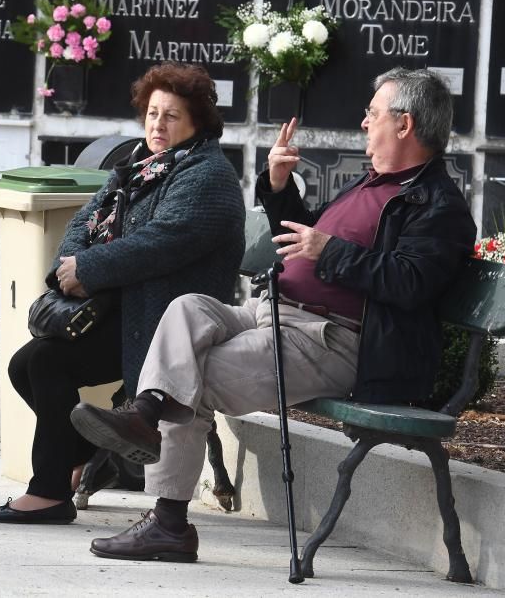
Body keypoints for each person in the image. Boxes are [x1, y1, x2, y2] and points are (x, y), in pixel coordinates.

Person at [71, 67, 477, 560]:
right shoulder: (371, 185)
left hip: (336, 339)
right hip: (276, 312)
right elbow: (305, 237)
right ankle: (147, 418)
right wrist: (279, 184)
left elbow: (412, 281)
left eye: (372, 114)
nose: (365, 124)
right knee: (186, 309)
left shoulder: (438, 206)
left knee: (187, 374)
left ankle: (168, 517)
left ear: (405, 124)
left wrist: (329, 252)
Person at [0, 63, 246, 525]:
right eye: (152, 114)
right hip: (123, 309)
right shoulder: (138, 167)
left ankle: (48, 491)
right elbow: (85, 221)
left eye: (171, 116)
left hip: (165, 324)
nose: (157, 125)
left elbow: (163, 241)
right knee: (26, 363)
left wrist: (90, 268)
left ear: (198, 123)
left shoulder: (208, 177)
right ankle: (85, 454)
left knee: (44, 362)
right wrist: (72, 265)